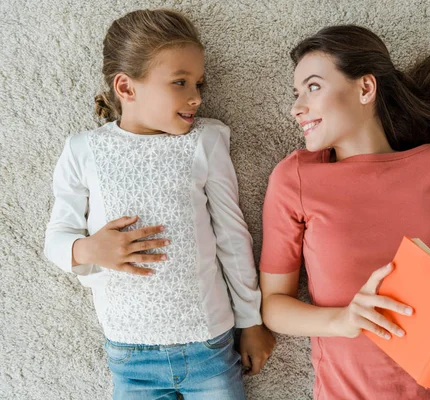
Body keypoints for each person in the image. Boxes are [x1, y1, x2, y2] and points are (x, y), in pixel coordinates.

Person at [259, 25, 430, 400]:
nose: (296, 108)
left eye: (313, 87)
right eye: (296, 93)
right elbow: (274, 306)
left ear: (365, 88)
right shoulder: (295, 179)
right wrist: (343, 319)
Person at [44, 9, 274, 400]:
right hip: (130, 354)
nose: (196, 96)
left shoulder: (206, 141)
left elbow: (233, 237)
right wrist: (87, 248)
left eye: (199, 82)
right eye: (180, 82)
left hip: (209, 344)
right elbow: (56, 237)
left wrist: (251, 320)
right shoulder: (84, 150)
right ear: (126, 87)